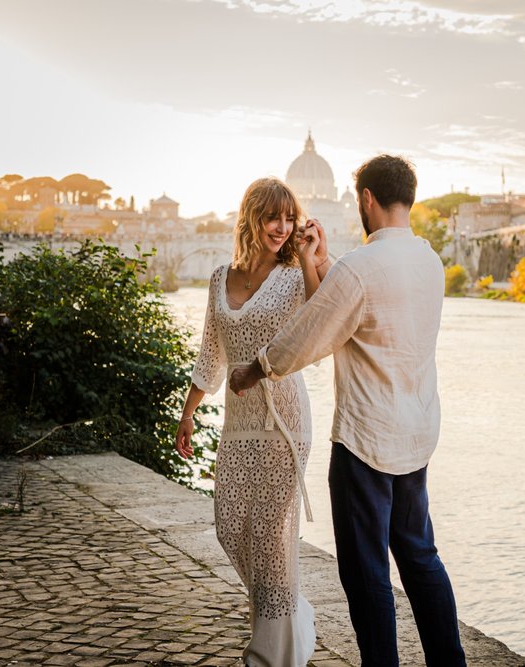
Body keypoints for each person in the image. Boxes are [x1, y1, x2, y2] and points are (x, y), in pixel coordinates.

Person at [230, 155, 466, 667]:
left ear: (365, 200)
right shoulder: (428, 261)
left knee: (366, 573)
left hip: (365, 441)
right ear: (409, 197)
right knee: (420, 556)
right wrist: (323, 260)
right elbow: (365, 299)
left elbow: (312, 333)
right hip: (417, 435)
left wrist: (254, 370)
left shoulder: (362, 269)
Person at [175, 177, 331, 667]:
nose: (282, 228)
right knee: (228, 526)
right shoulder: (221, 277)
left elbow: (322, 318)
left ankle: (269, 654)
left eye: (289, 218)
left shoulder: (291, 276)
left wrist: (309, 258)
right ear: (251, 217)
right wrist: (188, 410)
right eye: (272, 217)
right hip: (238, 422)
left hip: (285, 420)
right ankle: (290, 615)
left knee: (269, 533)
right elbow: (210, 355)